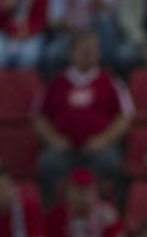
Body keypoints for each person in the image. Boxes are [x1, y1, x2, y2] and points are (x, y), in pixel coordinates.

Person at [34, 31, 136, 200]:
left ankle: (105, 205)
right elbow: (40, 117)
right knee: (47, 162)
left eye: (92, 51)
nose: (88, 55)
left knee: (111, 161)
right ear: (71, 53)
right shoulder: (56, 83)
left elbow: (125, 118)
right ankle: (56, 207)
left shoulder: (111, 82)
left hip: (99, 149)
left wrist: (103, 140)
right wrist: (54, 139)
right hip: (64, 150)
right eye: (83, 51)